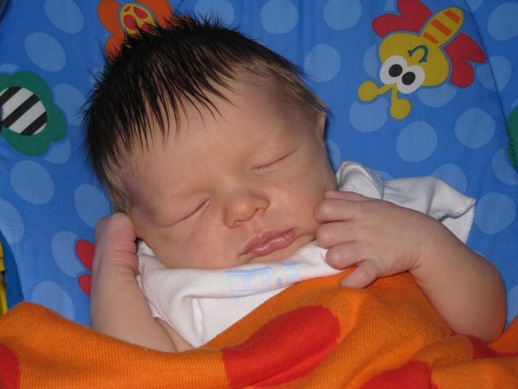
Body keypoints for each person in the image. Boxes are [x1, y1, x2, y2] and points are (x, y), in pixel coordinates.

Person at [83, 17, 506, 353]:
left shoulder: (378, 210)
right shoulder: (185, 294)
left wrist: (425, 246)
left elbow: (486, 323)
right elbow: (138, 370)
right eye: (192, 208)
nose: (244, 208)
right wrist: (114, 269)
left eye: (269, 163)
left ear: (315, 127)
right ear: (142, 228)